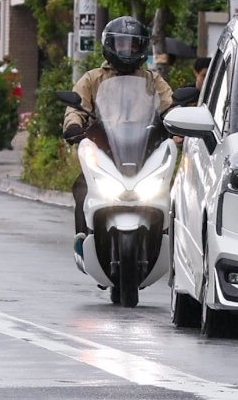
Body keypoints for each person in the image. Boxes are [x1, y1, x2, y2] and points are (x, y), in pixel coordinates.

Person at [67, 16, 169, 237]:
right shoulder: (92, 78)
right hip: (104, 150)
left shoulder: (152, 80)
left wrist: (177, 123)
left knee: (171, 190)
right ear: (110, 45)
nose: (127, 49)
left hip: (145, 150)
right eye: (121, 43)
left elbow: (169, 105)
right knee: (82, 188)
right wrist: (73, 125)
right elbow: (76, 106)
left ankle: (167, 241)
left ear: (141, 46)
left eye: (133, 44)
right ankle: (83, 239)